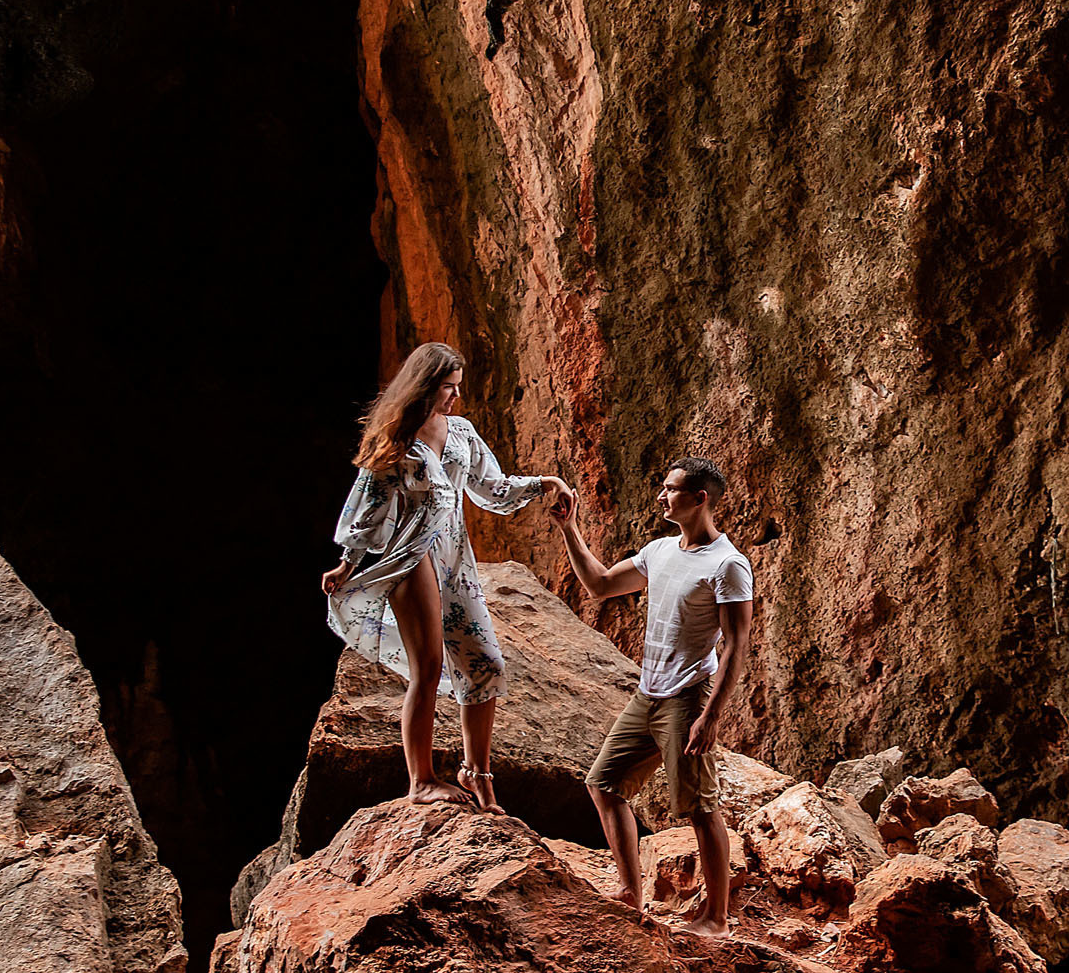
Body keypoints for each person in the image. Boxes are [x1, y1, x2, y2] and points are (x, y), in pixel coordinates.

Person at [319, 342, 565, 811]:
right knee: (428, 668)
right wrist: (348, 563)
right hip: (412, 557)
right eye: (447, 388)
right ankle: (421, 780)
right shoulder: (397, 438)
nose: (455, 397)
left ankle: (477, 772)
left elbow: (491, 488)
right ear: (425, 386)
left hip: (455, 557)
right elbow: (370, 507)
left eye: (457, 388)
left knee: (486, 664)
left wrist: (543, 484)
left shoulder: (461, 432)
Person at [550, 457, 755, 934]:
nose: (662, 496)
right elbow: (601, 585)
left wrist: (710, 716)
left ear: (700, 498)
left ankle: (717, 918)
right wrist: (569, 529)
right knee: (604, 784)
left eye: (671, 489)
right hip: (648, 693)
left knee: (699, 807)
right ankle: (629, 892)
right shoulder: (659, 551)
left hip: (687, 696)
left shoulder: (727, 565)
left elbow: (737, 645)